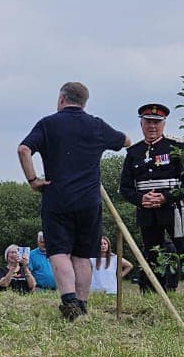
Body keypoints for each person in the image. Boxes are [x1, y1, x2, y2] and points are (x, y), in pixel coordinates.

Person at [18, 80, 128, 321]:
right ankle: (82, 303)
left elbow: (23, 150)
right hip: (89, 200)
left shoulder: (48, 124)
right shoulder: (96, 125)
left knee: (59, 251)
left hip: (57, 198)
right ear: (84, 102)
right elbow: (126, 141)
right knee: (82, 255)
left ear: (61, 99)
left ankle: (69, 301)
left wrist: (33, 180)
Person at [119, 103, 184, 290]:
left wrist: (165, 197)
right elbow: (125, 187)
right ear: (141, 124)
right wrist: (141, 199)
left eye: (156, 122)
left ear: (163, 124)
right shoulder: (133, 152)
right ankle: (152, 293)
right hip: (147, 212)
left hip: (175, 209)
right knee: (152, 253)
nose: (152, 126)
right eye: (148, 121)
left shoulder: (176, 147)